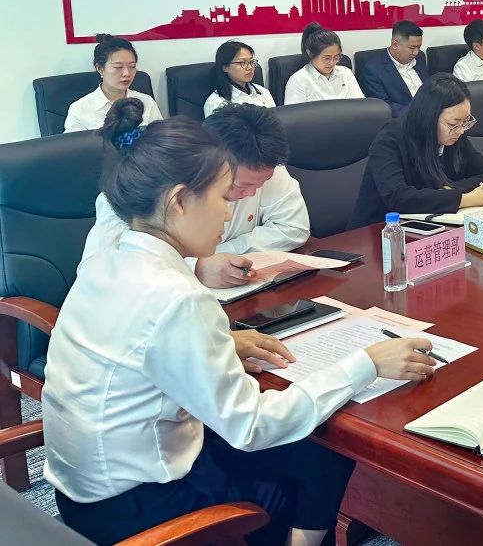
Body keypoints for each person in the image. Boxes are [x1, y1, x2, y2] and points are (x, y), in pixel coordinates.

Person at [43, 102, 434, 546]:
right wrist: (367, 363)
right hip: (145, 508)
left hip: (85, 493)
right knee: (317, 453)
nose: (229, 215)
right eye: (223, 198)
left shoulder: (106, 260)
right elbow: (251, 427)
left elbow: (136, 346)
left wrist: (221, 343)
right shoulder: (179, 298)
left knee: (313, 452)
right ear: (178, 201)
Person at [81, 102, 310, 287]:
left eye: (261, 184)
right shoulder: (136, 192)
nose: (251, 193)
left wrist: (221, 253)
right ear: (212, 160)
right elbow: (98, 271)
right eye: (238, 185)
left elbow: (294, 229)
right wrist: (195, 267)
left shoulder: (262, 170)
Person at [350, 75, 483, 228]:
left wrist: (451, 189)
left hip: (432, 226)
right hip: (378, 231)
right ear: (429, 117)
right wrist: (466, 199)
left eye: (466, 122)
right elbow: (398, 197)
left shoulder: (454, 135)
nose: (461, 130)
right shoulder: (389, 139)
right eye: (453, 124)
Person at [64, 33, 163, 133]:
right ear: (100, 68)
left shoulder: (147, 102)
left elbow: (161, 138)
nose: (127, 73)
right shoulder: (80, 109)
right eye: (118, 67)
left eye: (132, 66)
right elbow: (74, 143)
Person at [359, 20, 427, 117]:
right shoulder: (373, 69)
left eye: (418, 47)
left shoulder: (420, 57)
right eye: (412, 48)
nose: (416, 52)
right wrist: (420, 114)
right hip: (404, 120)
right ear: (395, 45)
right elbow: (383, 107)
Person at [284, 22, 364, 104]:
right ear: (310, 54)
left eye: (336, 57)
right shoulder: (298, 80)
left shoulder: (346, 73)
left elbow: (360, 105)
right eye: (327, 58)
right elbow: (294, 112)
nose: (332, 63)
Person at [204, 41, 275, 116]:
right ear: (225, 67)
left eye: (251, 61)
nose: (250, 67)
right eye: (242, 63)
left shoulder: (263, 91)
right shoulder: (216, 102)